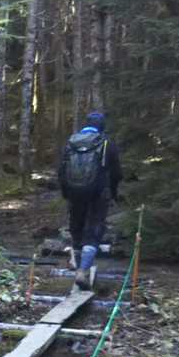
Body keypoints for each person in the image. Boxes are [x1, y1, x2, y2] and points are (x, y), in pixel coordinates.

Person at [57, 110, 122, 290]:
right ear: (102, 126)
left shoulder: (70, 143)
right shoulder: (106, 143)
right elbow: (117, 173)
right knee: (94, 230)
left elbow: (61, 172)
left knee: (76, 229)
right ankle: (83, 270)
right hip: (98, 194)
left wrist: (66, 193)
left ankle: (79, 267)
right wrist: (113, 193)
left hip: (74, 194)